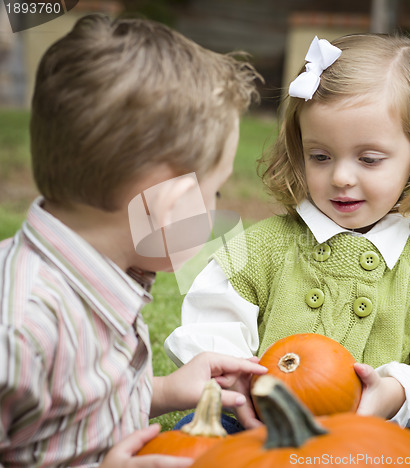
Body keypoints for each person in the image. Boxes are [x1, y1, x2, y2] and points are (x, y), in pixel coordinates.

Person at [165, 34, 410, 459]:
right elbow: (208, 324)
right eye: (320, 156)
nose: (341, 178)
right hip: (261, 425)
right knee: (198, 445)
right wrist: (235, 377)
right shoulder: (260, 246)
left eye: (368, 159)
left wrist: (395, 393)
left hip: (378, 436)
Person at [0, 13, 267, 468]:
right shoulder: (20, 331)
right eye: (214, 193)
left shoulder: (103, 272)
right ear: (172, 206)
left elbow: (69, 415)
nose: (217, 207)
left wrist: (162, 390)